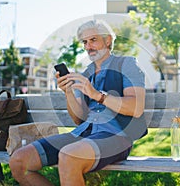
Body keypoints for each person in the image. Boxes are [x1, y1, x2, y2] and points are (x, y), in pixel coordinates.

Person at [9, 19, 147, 186]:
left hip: (117, 136)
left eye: (93, 40)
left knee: (69, 156)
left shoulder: (127, 64)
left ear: (108, 40)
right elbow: (78, 118)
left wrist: (98, 95)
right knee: (19, 161)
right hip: (84, 133)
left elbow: (136, 108)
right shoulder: (87, 73)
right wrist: (68, 92)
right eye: (85, 42)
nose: (88, 46)